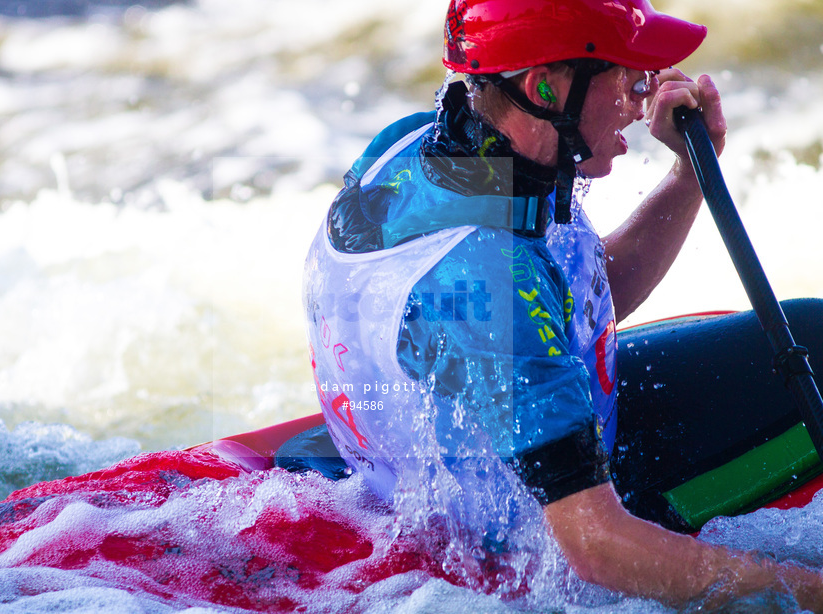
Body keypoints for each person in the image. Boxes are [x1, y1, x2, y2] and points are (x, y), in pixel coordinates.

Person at [302, 0, 823, 608]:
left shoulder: (422, 147)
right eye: (627, 79)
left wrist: (689, 175)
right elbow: (596, 547)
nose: (641, 98)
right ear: (543, 86)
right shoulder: (488, 286)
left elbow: (572, 298)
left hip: (434, 464)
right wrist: (806, 593)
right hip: (531, 530)